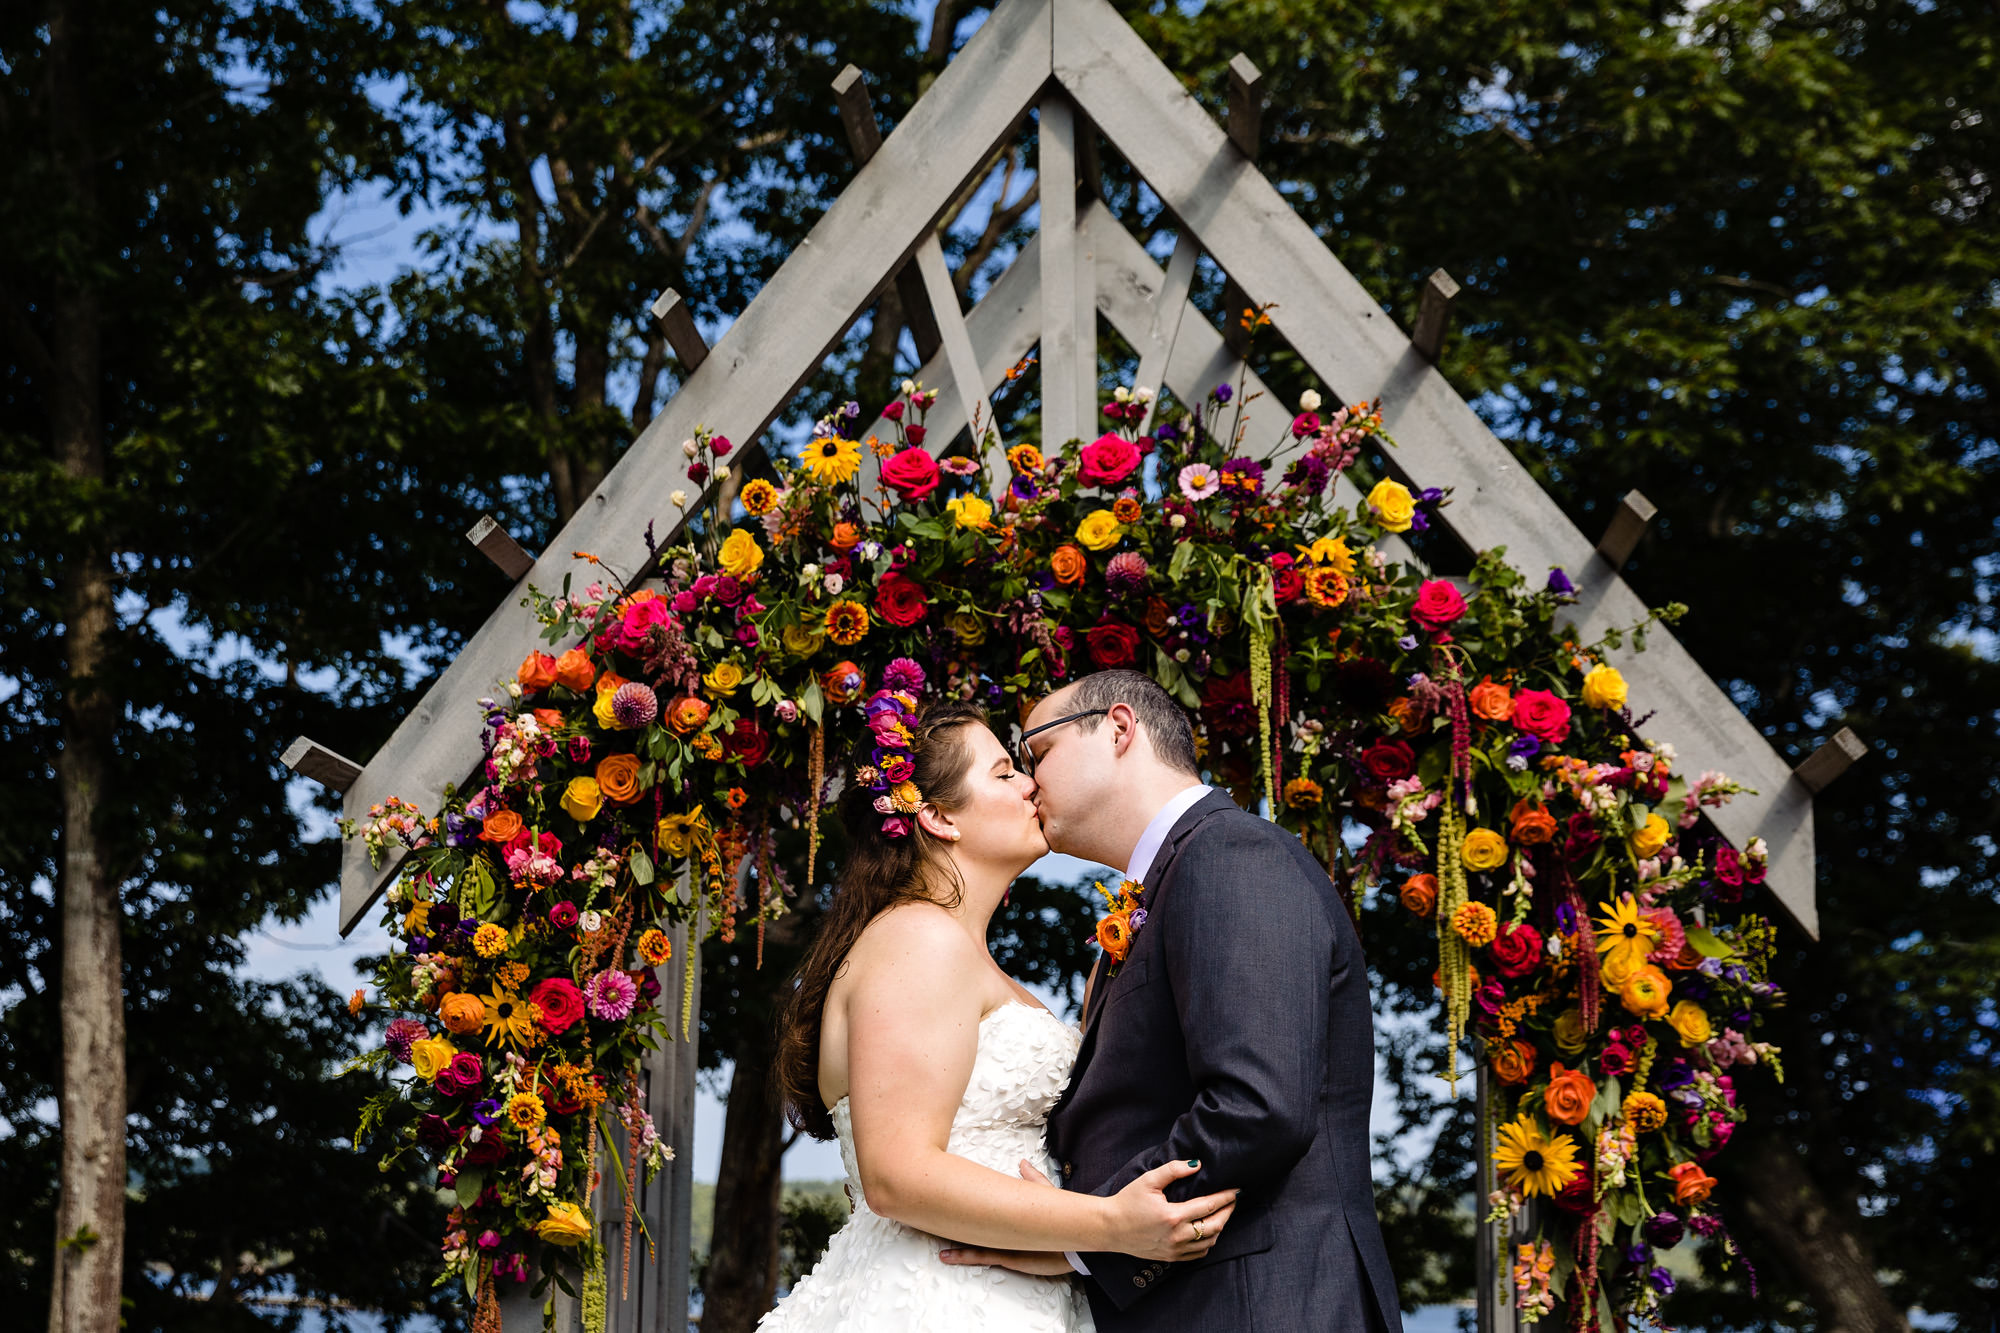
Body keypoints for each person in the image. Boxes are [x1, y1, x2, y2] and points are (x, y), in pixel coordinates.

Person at [941, 669, 1403, 1332]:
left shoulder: (1233, 854)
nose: (1030, 781)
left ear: (1119, 729)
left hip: (1264, 1306)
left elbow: (1256, 1104)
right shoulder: (1173, 880)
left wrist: (1084, 1237)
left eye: (1035, 752)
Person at [761, 695, 1240, 1332]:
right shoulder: (917, 940)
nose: (1030, 785)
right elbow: (895, 1175)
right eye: (1003, 772)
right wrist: (1112, 1225)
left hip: (1003, 1292)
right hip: (939, 1299)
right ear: (936, 816)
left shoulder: (955, 952)